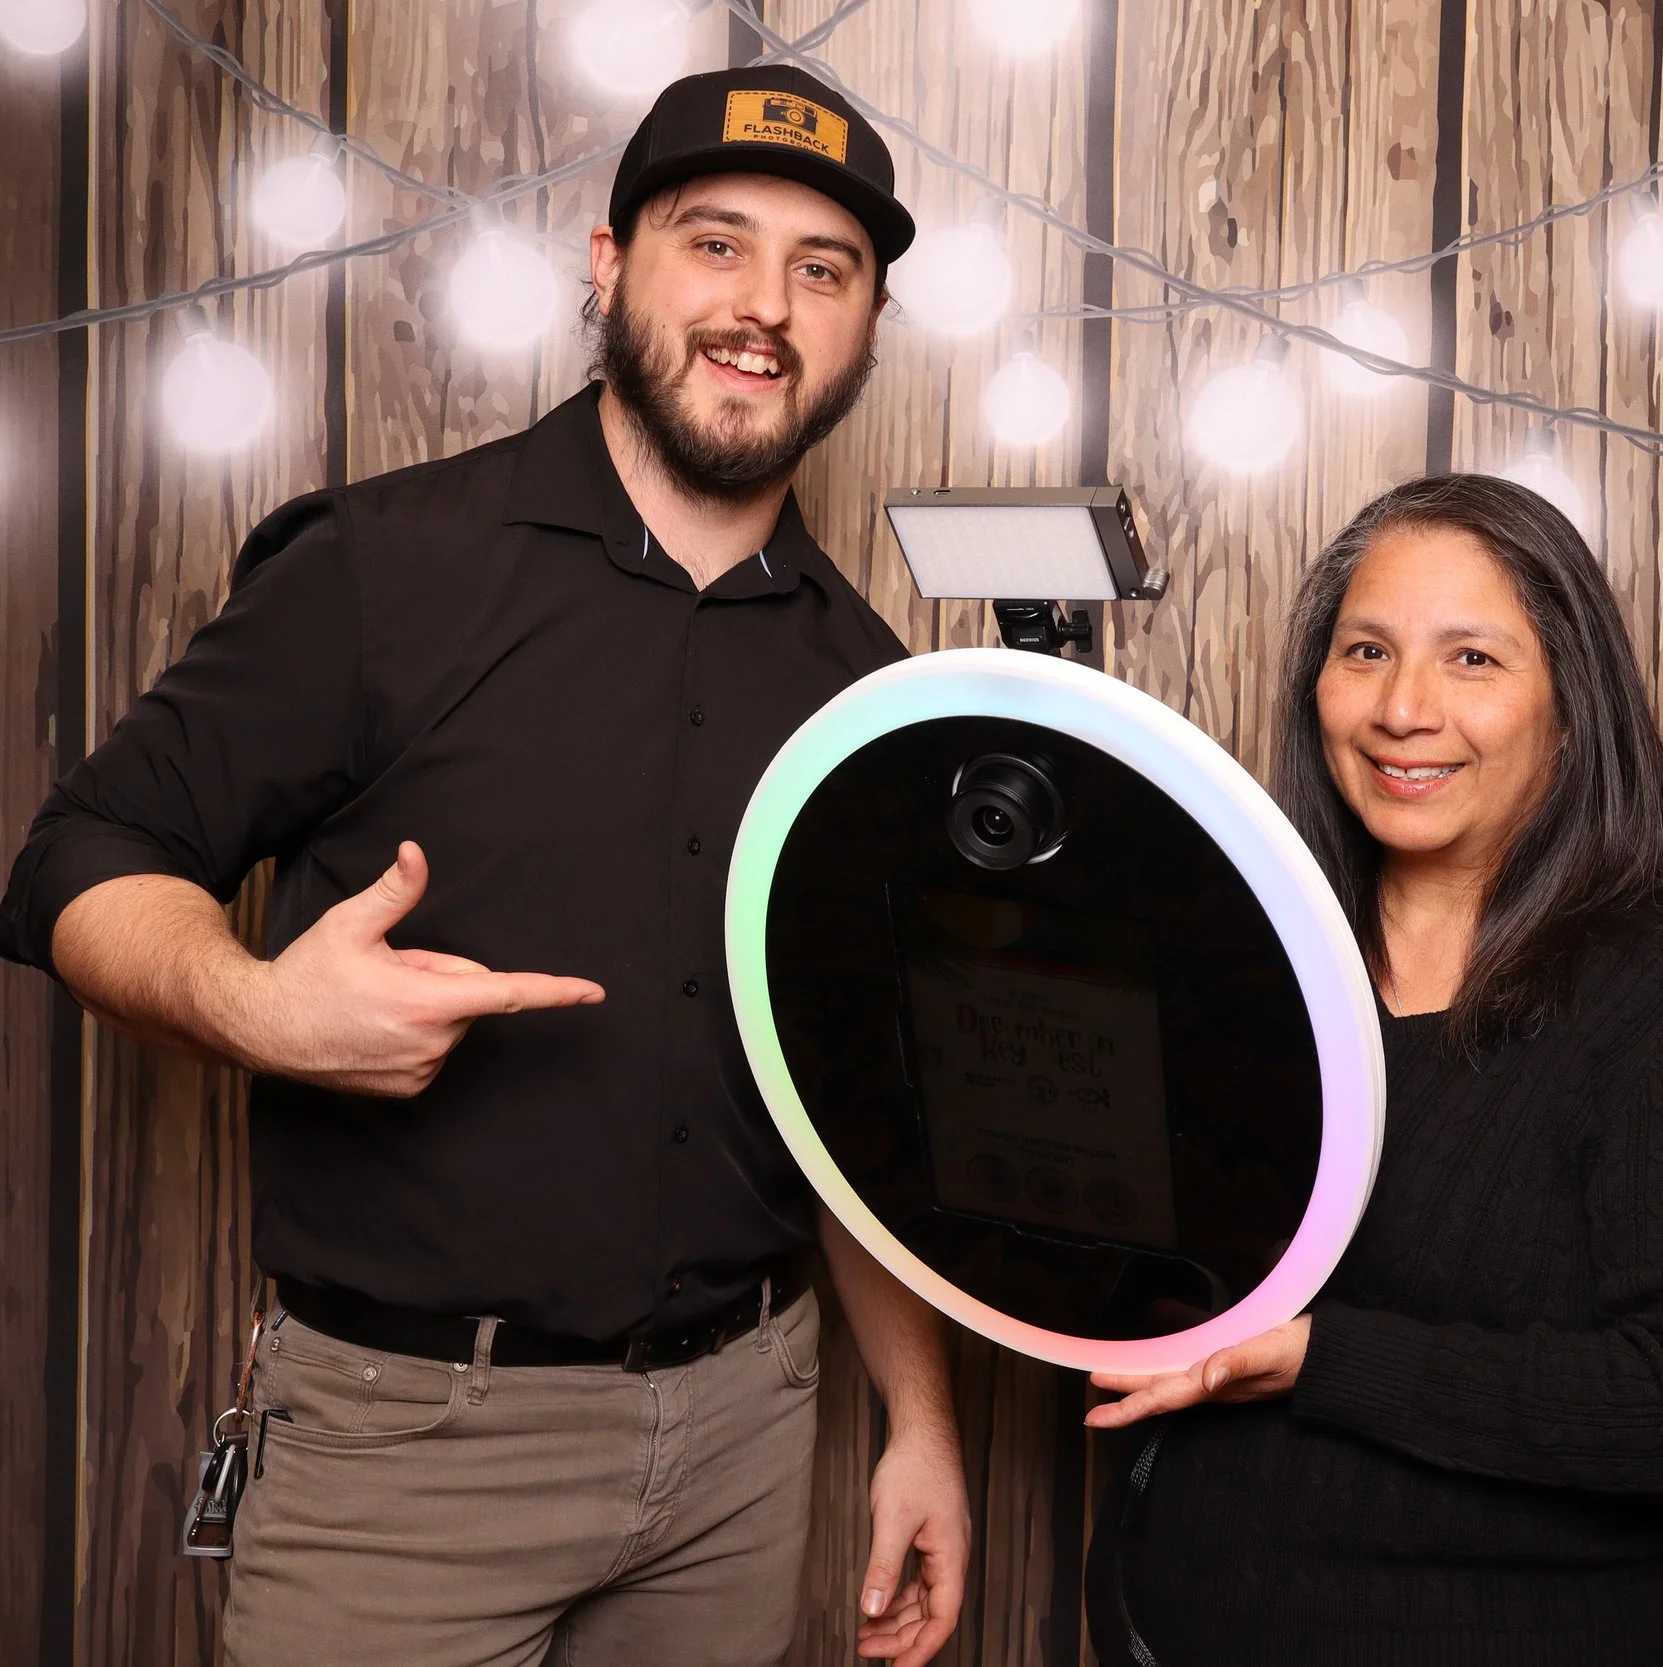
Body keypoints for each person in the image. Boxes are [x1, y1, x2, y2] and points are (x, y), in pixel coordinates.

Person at [0, 64, 969, 1667]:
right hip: (408, 1450)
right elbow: (75, 854)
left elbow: (852, 1095)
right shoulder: (384, 570)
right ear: (608, 265)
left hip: (746, 1437)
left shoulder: (872, 691)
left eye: (824, 268)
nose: (766, 307)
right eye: (713, 243)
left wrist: (918, 1425)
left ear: (867, 323)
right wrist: (254, 1005)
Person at [1081, 474, 1663, 1666]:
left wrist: (1327, 1357)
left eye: (1471, 659)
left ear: (1571, 709)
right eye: (1366, 649)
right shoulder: (1236, 952)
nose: (1403, 708)